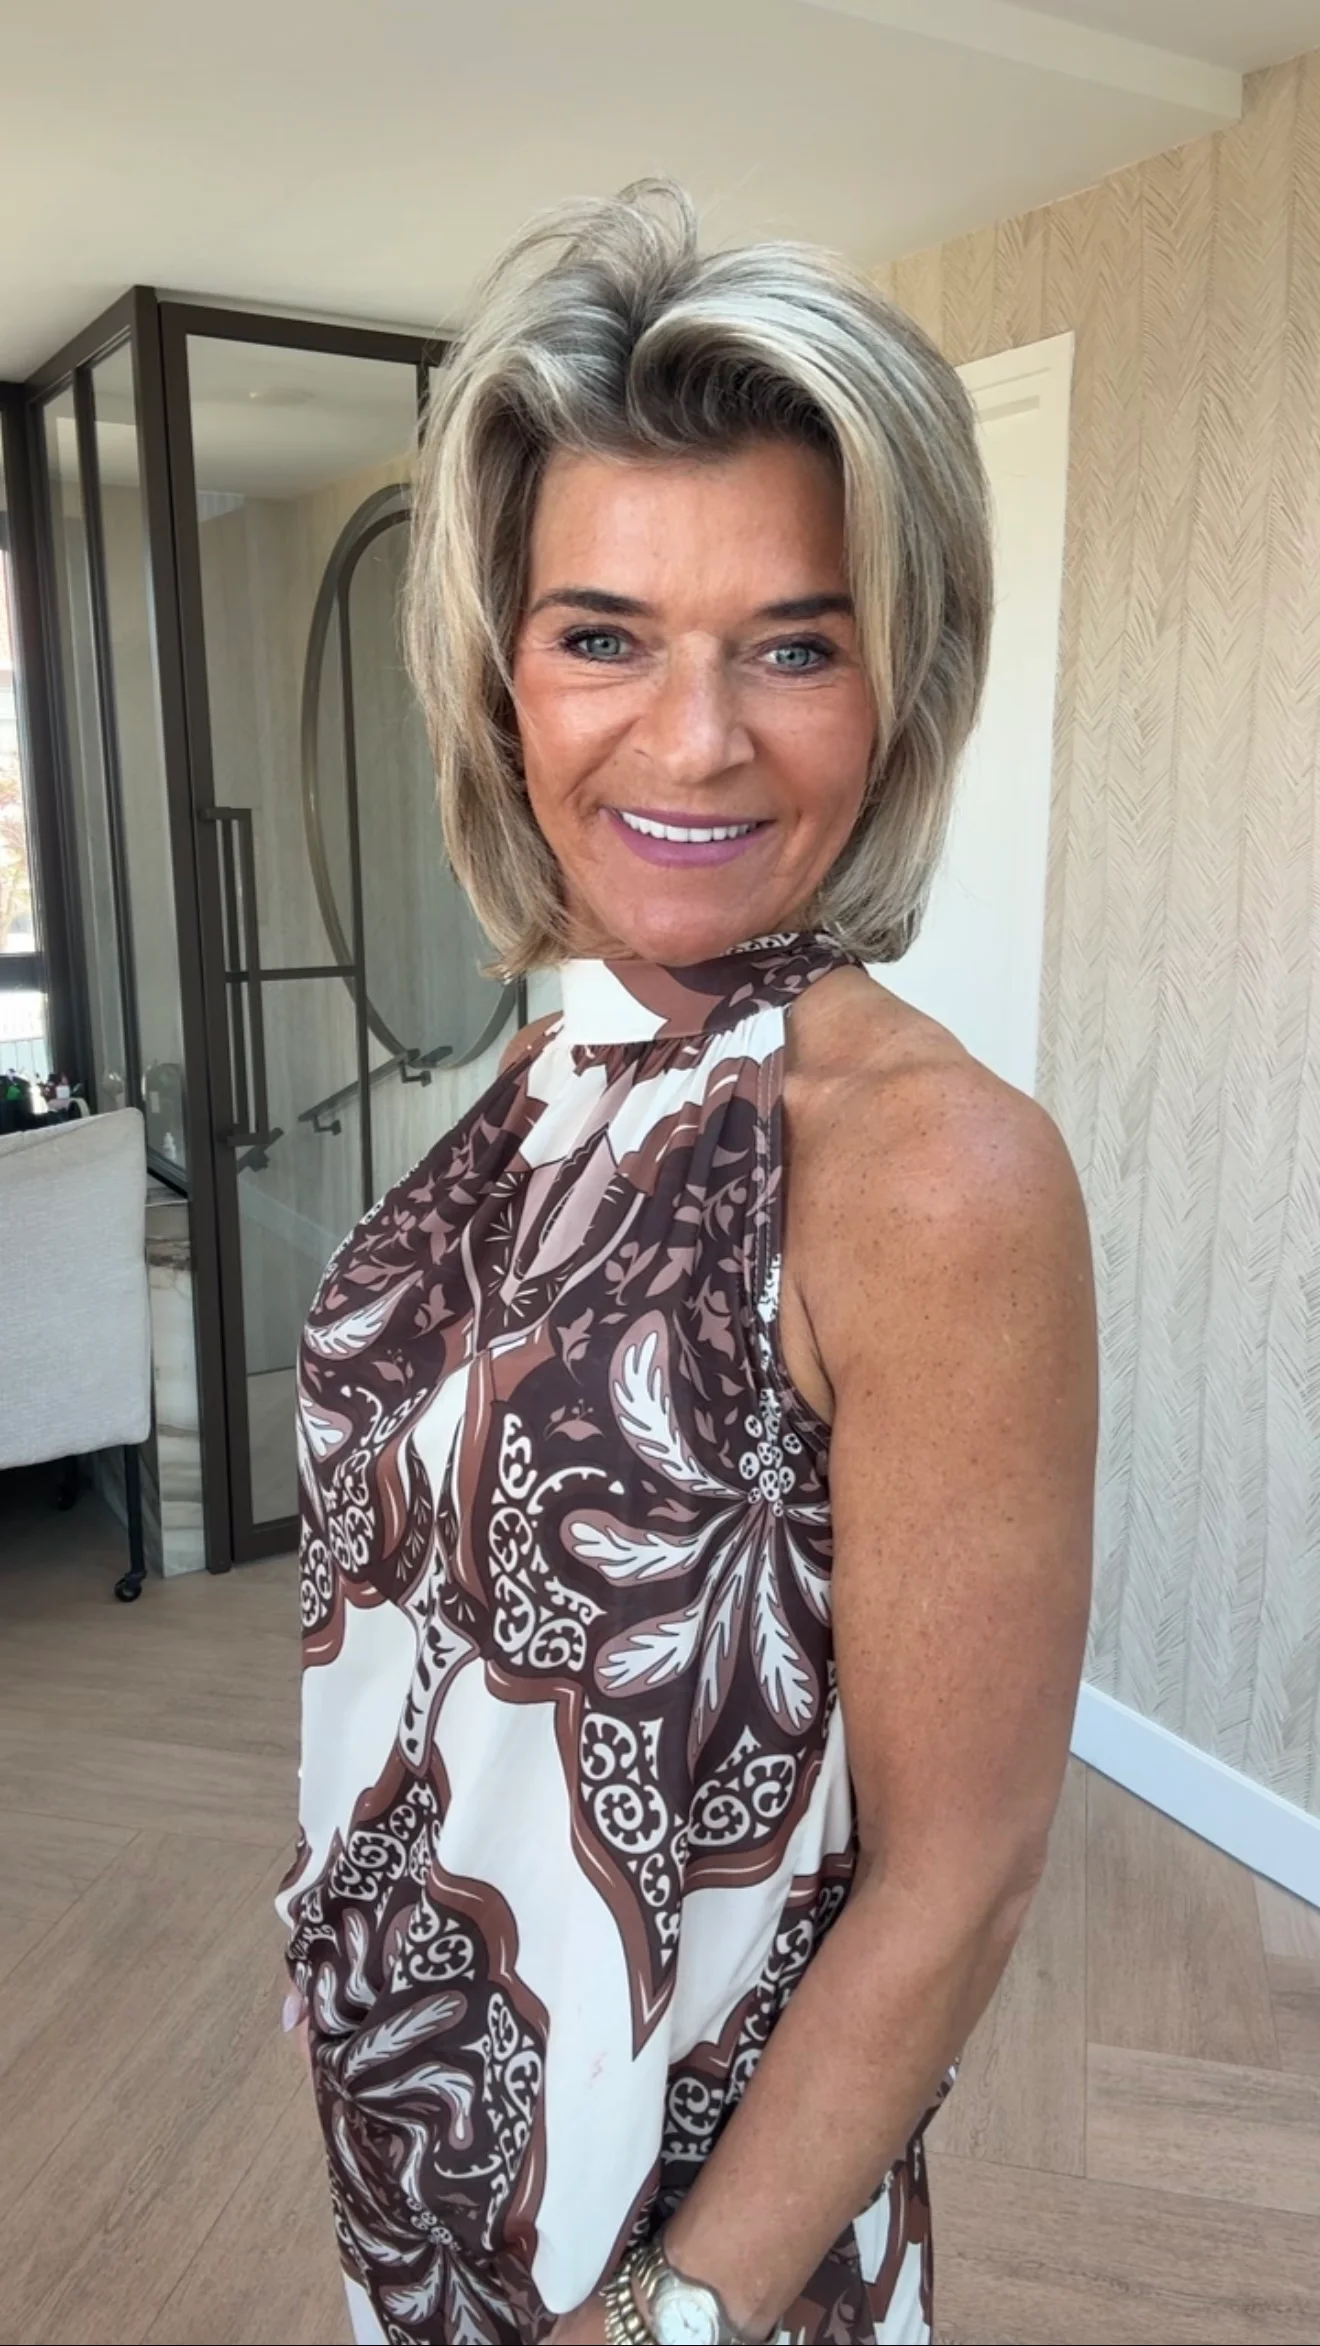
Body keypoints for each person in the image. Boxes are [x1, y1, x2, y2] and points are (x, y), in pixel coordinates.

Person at [277, 181, 1098, 2346]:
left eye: (794, 644)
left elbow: (960, 1879)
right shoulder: (552, 1074)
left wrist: (666, 2317)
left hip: (687, 2255)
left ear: (900, 684)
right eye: (605, 634)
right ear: (501, 672)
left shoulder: (937, 1178)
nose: (695, 737)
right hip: (436, 2164)